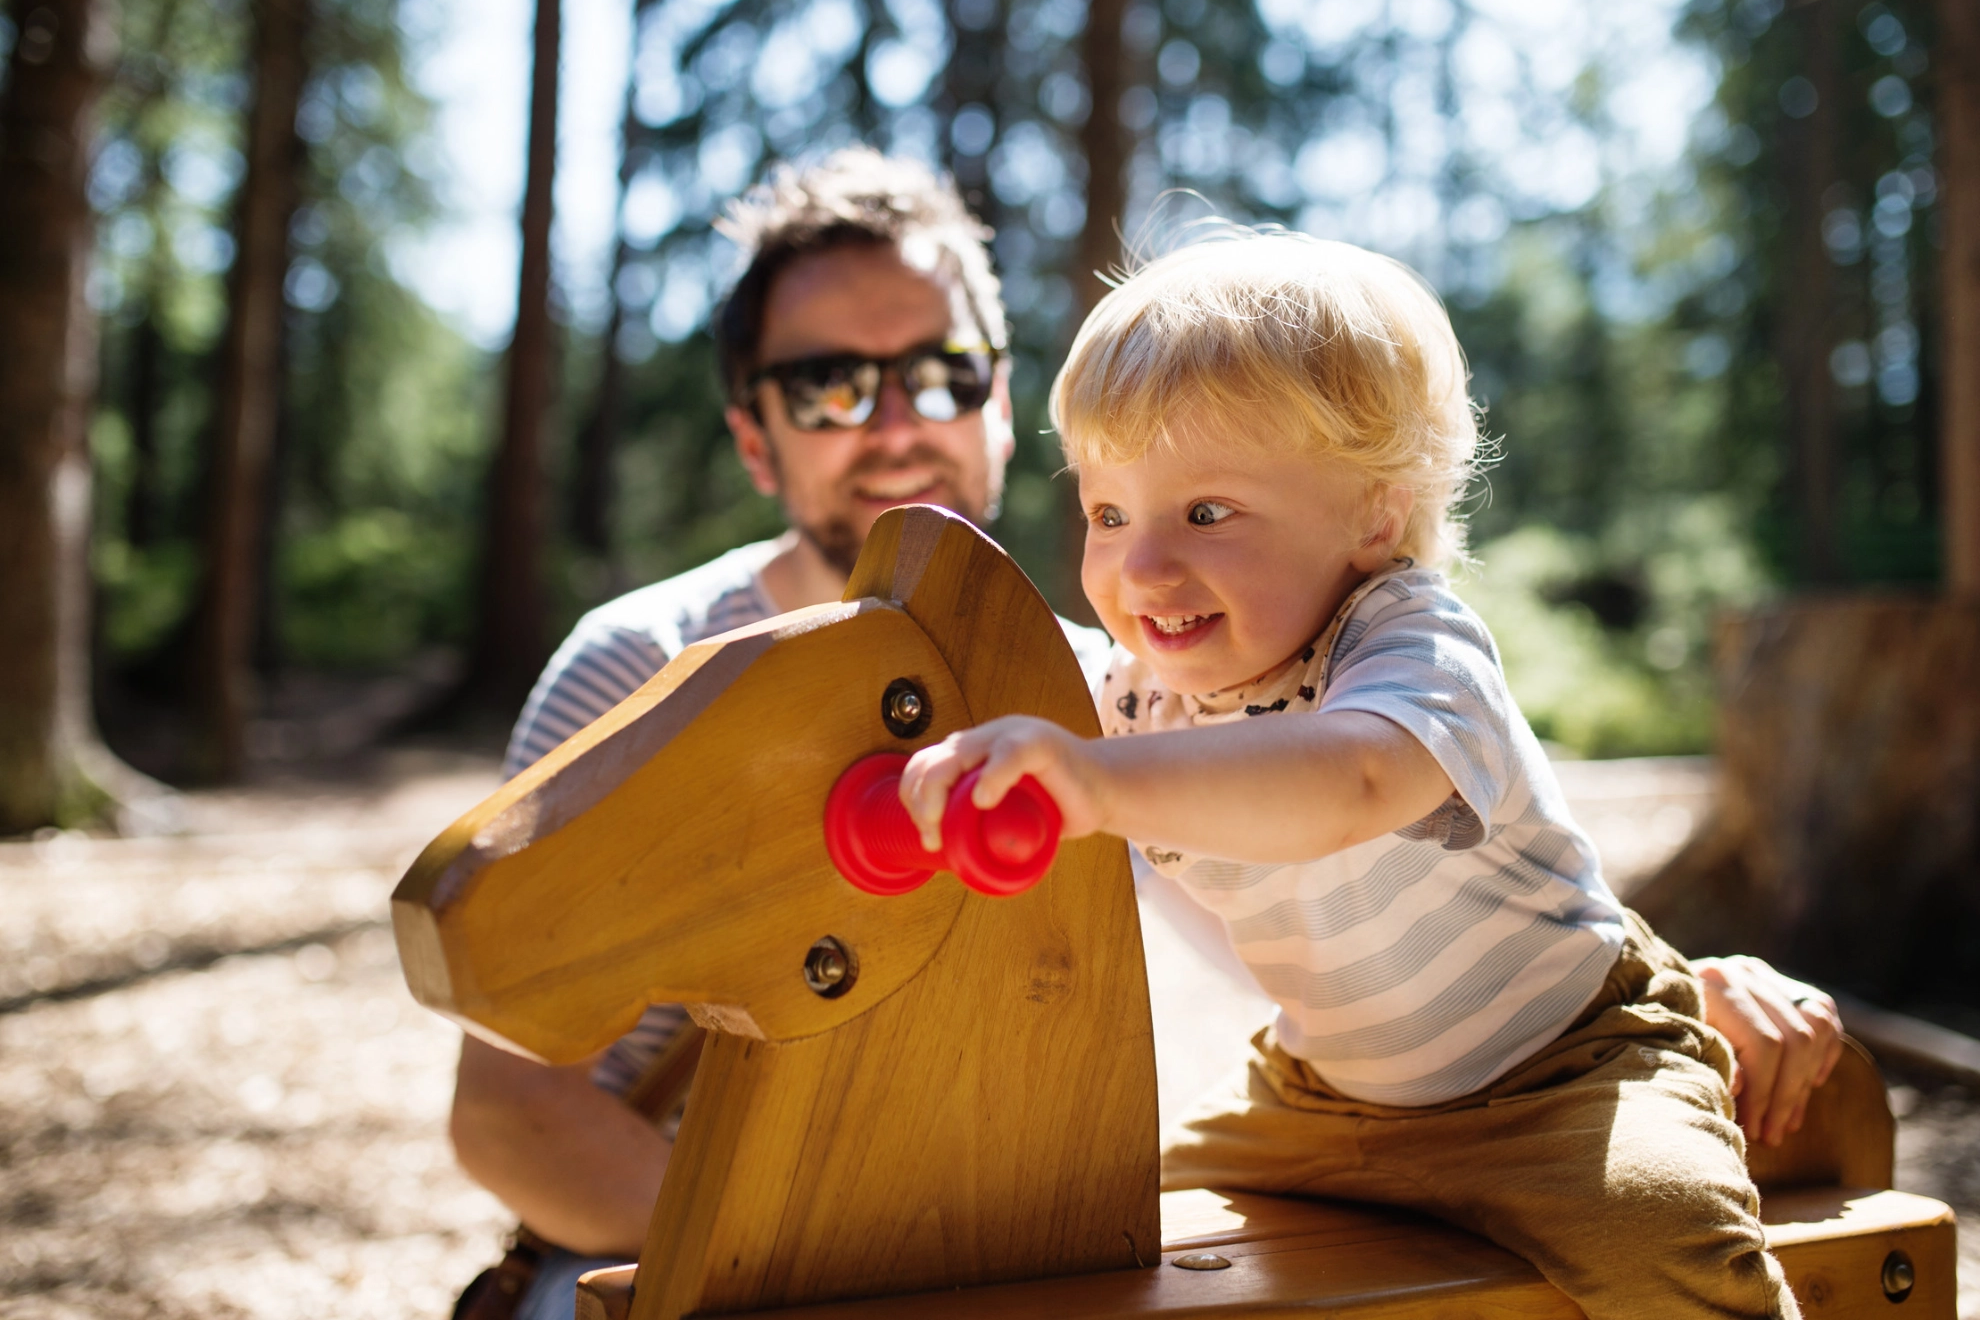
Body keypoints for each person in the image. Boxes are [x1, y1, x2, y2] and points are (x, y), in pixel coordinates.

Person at [450, 154, 1841, 1320]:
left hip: (1517, 1083)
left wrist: (1651, 983)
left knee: (1657, 1242)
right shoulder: (657, 658)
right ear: (755, 438)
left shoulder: (1184, 678)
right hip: (713, 1225)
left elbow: (1349, 811)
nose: (891, 419)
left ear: (997, 403)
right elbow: (508, 1105)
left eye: (938, 372)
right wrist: (796, 1263)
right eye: (826, 385)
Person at [902, 231, 1828, 1319]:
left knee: (1662, 1241)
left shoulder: (1407, 642)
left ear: (1375, 515)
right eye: (1110, 514)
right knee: (1107, 1225)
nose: (1141, 566)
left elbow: (1349, 781)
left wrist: (1099, 787)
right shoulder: (1135, 691)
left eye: (1206, 512)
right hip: (1319, 1097)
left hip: (1562, 1075)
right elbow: (993, 681)